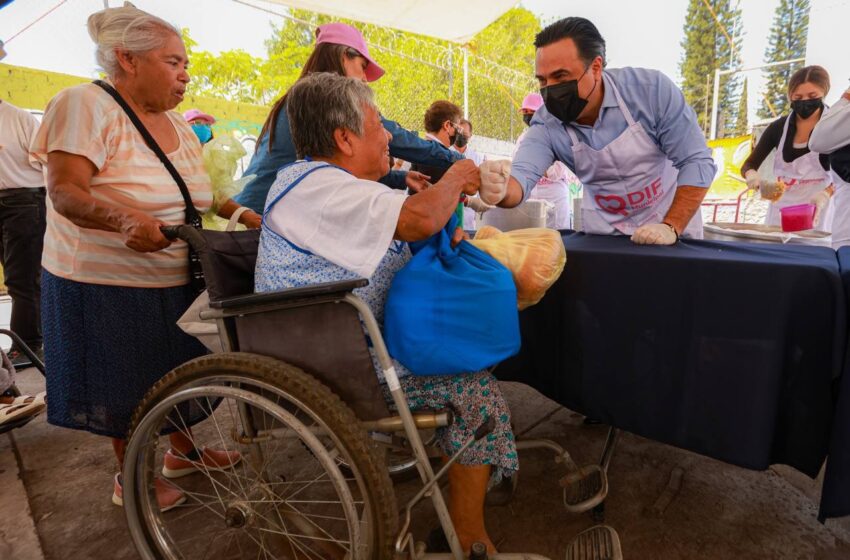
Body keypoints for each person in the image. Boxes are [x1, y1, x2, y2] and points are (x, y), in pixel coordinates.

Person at [255, 72, 517, 554]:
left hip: (344, 347)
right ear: (344, 137)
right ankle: (469, 539)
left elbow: (409, 227)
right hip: (335, 367)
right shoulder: (320, 188)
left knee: (468, 343)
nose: (390, 136)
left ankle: (463, 477)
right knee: (474, 388)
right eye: (379, 124)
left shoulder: (319, 184)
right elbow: (417, 220)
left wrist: (429, 205)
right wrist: (458, 173)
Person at [30, 4, 258, 511]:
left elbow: (198, 193)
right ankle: (131, 477)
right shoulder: (84, 104)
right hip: (105, 283)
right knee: (128, 384)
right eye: (173, 62)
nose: (185, 74)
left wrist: (241, 212)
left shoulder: (176, 123)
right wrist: (126, 220)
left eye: (185, 64)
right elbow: (66, 192)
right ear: (126, 60)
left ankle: (184, 453)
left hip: (176, 273)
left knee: (177, 368)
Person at [496, 17, 716, 244]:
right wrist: (499, 187)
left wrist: (671, 226)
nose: (551, 90)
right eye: (543, 81)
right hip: (605, 238)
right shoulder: (546, 123)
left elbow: (697, 161)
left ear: (596, 67)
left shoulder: (651, 92)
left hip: (669, 226)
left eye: (560, 76)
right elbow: (520, 179)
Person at [235, 22, 459, 212]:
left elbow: (342, 168)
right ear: (344, 57)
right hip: (257, 222)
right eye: (362, 67)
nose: (364, 79)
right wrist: (459, 163)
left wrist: (399, 178)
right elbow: (399, 139)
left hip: (255, 215)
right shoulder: (322, 100)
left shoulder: (302, 97)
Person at [741, 66, 834, 230]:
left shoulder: (836, 126)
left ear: (823, 94)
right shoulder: (778, 128)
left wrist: (826, 194)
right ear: (790, 97)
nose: (805, 101)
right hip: (780, 217)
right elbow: (749, 165)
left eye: (812, 96)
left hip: (819, 215)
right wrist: (754, 178)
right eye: (798, 97)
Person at [0, 99, 46, 366]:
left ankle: (26, 346)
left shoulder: (20, 119)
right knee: (19, 277)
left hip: (24, 201)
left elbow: (47, 165)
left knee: (23, 278)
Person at [517, 93, 575, 230]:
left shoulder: (557, 135)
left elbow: (556, 172)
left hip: (555, 198)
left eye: (532, 112)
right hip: (532, 198)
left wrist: (533, 165)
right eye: (525, 112)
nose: (528, 115)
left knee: (559, 239)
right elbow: (518, 168)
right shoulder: (522, 139)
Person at [810, 82, 850, 247]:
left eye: (812, 96)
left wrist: (846, 98)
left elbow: (818, 140)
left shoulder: (837, 118)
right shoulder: (780, 128)